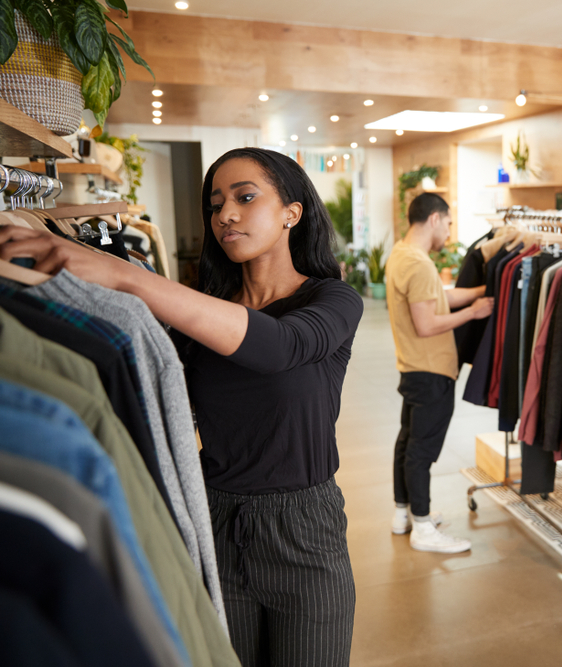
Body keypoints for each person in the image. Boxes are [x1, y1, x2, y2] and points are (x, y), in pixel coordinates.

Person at [0, 148, 364, 667]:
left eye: (244, 197)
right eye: (215, 205)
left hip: (304, 530)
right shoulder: (198, 311)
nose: (225, 215)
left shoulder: (332, 300)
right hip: (212, 518)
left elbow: (280, 346)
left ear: (292, 212)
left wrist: (126, 276)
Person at [385, 193, 493, 554]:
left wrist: (480, 291)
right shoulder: (419, 264)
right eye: (448, 223)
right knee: (421, 453)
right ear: (434, 218)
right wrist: (474, 312)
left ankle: (405, 515)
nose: (449, 231)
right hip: (431, 372)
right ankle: (423, 526)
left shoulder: (403, 255)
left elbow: (434, 297)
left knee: (407, 444)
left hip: (414, 368)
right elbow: (428, 323)